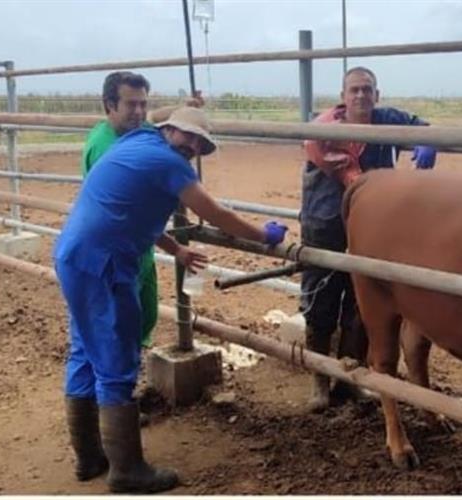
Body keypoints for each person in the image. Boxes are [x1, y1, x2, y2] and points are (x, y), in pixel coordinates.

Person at [56, 106, 288, 493]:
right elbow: (215, 213)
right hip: (106, 263)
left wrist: (175, 250)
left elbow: (132, 211)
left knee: (84, 350)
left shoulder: (137, 141)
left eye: (200, 141)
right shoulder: (168, 162)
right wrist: (264, 235)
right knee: (116, 358)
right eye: (188, 135)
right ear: (168, 129)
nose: (193, 145)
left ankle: (88, 458)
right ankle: (126, 470)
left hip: (75, 254)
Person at [299, 66, 437, 412]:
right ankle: (319, 377)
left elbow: (422, 125)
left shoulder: (386, 118)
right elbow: (350, 175)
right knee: (321, 300)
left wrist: (425, 139)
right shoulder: (324, 130)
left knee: (365, 303)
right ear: (343, 97)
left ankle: (349, 378)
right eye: (354, 90)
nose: (361, 95)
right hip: (327, 224)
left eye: (367, 89)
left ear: (377, 94)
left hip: (372, 228)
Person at [81, 71, 203, 351]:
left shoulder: (133, 134)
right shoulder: (110, 149)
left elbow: (155, 116)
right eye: (130, 104)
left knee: (143, 316)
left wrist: (186, 108)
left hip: (139, 249)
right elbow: (129, 219)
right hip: (117, 250)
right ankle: (114, 387)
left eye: (142, 104)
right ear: (109, 105)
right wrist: (176, 249)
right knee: (117, 327)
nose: (138, 112)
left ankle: (123, 374)